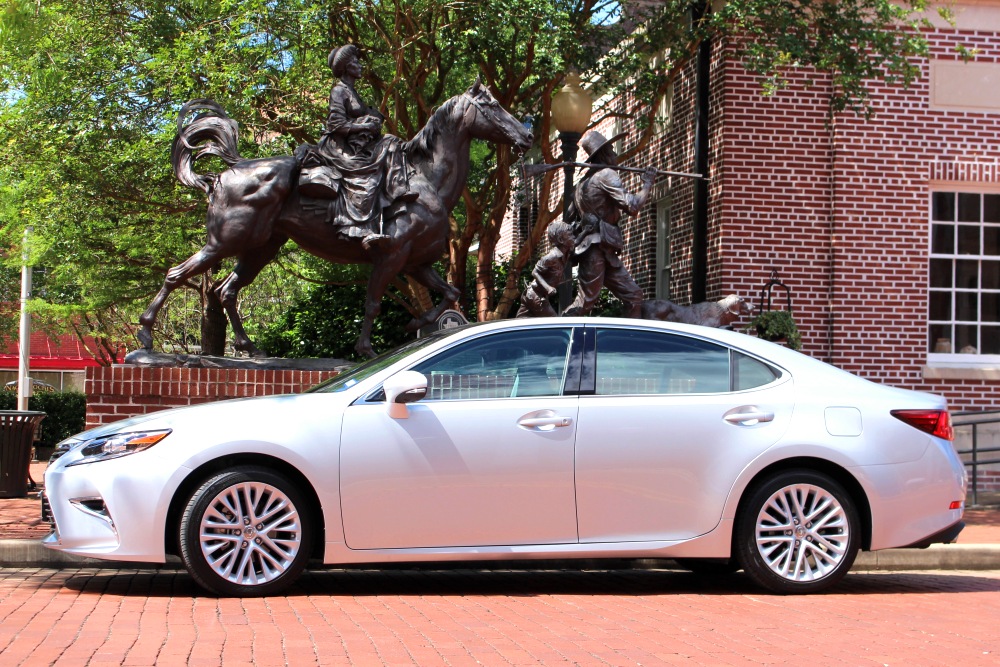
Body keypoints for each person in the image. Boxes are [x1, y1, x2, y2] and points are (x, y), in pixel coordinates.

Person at [300, 44, 417, 249]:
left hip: (356, 144)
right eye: (355, 62)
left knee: (391, 142)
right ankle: (359, 229)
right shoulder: (339, 91)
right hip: (337, 147)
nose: (360, 65)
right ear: (346, 67)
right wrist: (361, 125)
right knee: (367, 176)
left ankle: (398, 192)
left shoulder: (352, 91)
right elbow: (335, 124)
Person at [562, 130, 655, 318]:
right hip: (595, 248)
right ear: (603, 154)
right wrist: (647, 184)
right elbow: (633, 206)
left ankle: (629, 341)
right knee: (584, 302)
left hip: (604, 249)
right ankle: (557, 335)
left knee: (633, 295)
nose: (615, 155)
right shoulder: (606, 174)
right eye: (612, 150)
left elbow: (569, 217)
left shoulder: (582, 183)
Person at [516, 222, 574, 318]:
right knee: (555, 324)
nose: (573, 237)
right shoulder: (551, 257)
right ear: (561, 240)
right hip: (535, 295)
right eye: (570, 235)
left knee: (519, 324)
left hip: (533, 295)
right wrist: (548, 287)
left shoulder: (565, 254)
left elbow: (576, 243)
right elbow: (535, 272)